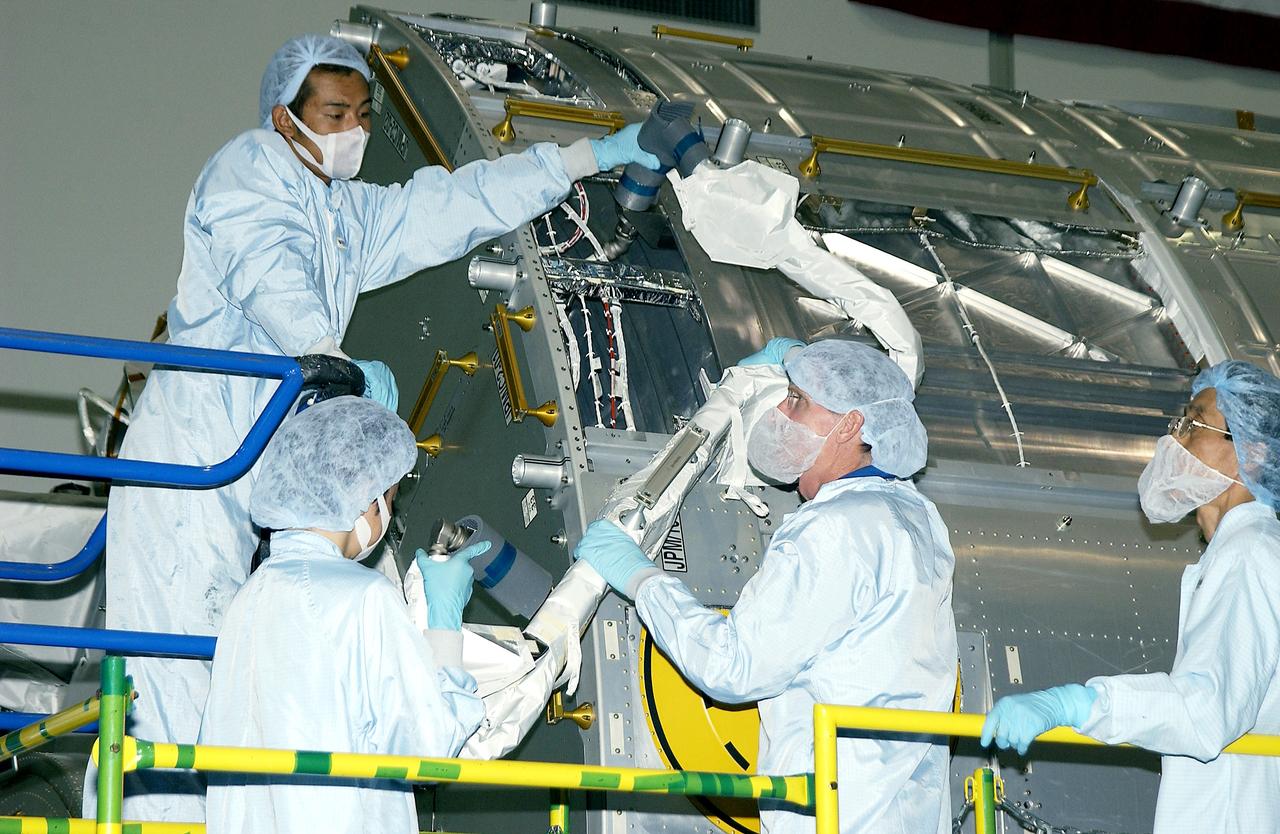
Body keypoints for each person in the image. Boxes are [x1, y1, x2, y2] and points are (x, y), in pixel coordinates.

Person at [95, 33, 659, 821]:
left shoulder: (343, 209)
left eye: (362, 112)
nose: (353, 128)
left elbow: (452, 205)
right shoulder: (251, 168)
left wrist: (583, 158)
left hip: (264, 437)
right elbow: (267, 262)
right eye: (334, 112)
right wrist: (331, 361)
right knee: (173, 658)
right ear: (283, 116)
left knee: (232, 657)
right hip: (194, 450)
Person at [576, 338, 958, 834]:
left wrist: (639, 575)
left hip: (834, 818)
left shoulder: (835, 529)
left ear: (850, 424)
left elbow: (732, 667)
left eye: (797, 398)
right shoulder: (916, 518)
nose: (779, 410)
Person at [981, 360, 1280, 833]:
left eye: (1194, 422)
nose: (1174, 439)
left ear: (1255, 453)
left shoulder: (1249, 553)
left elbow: (1207, 708)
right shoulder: (1236, 553)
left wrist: (1079, 704)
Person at [201, 396, 489, 834]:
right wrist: (445, 632)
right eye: (389, 497)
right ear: (365, 500)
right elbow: (427, 751)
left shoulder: (249, 599)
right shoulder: (363, 597)